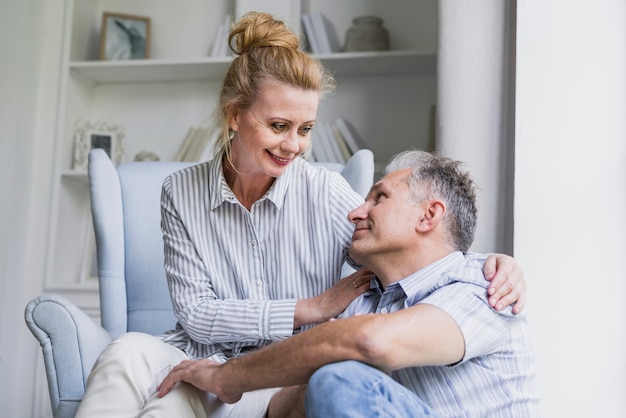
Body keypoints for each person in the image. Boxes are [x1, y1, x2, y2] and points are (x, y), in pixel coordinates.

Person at [76, 12, 527, 418]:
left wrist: (496, 265)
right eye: (278, 126)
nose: (294, 144)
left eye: (305, 129)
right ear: (235, 116)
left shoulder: (326, 191)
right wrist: (307, 308)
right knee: (125, 351)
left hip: (274, 375)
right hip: (201, 353)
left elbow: (410, 250)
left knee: (170, 404)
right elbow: (195, 315)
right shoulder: (180, 190)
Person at [157, 150, 542, 417]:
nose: (356, 211)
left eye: (379, 197)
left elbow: (368, 343)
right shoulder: (363, 303)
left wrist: (227, 377)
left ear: (429, 216)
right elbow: (282, 407)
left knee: (338, 377)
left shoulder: (484, 286)